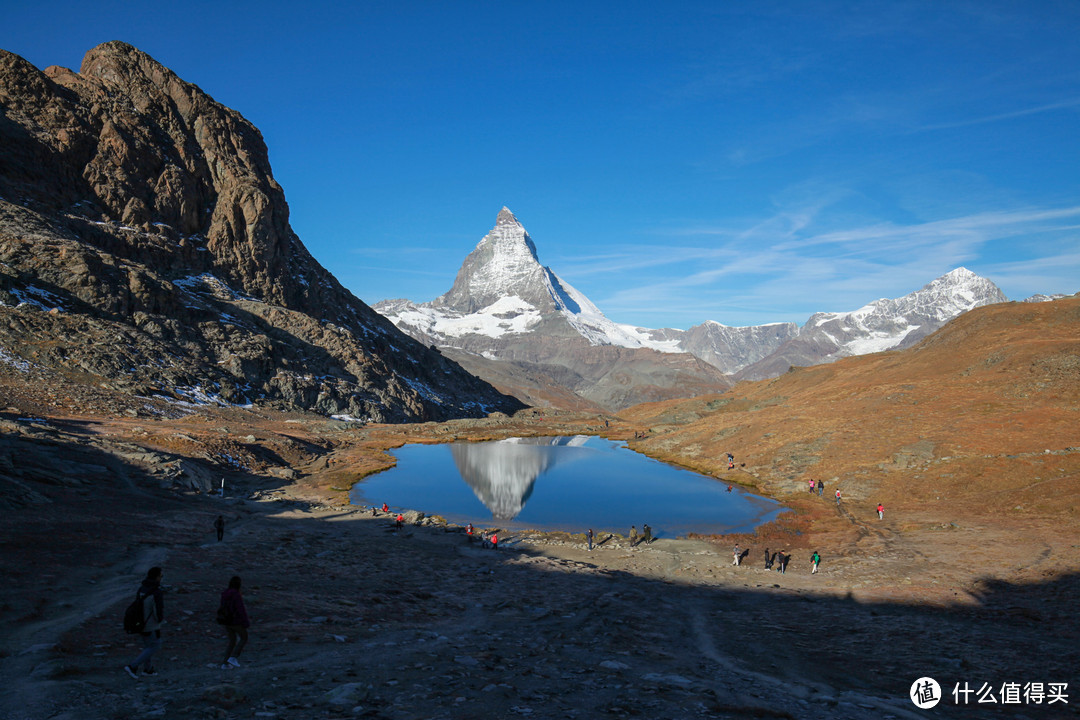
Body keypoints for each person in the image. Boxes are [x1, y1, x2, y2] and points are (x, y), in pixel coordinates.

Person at [124, 567, 164, 679]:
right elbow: (157, 610)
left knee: (148, 646)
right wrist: (160, 620)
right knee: (155, 646)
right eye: (161, 576)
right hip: (151, 624)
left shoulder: (142, 588)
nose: (161, 578)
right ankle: (132, 666)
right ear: (157, 577)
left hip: (141, 622)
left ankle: (148, 670)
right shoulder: (156, 592)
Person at [218, 576, 250, 669]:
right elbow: (240, 609)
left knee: (232, 641)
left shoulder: (225, 594)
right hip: (236, 621)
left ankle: (225, 663)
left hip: (226, 621)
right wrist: (245, 622)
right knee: (244, 638)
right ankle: (233, 657)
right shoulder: (236, 594)